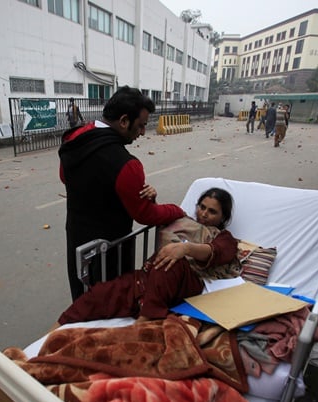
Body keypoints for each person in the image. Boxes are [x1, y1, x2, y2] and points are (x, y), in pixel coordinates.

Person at [58, 86, 186, 301]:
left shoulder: (76, 138)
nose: (143, 132)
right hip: (109, 251)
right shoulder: (126, 165)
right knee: (111, 303)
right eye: (141, 125)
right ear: (124, 121)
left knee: (82, 298)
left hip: (77, 239)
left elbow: (65, 177)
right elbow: (145, 214)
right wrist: (176, 210)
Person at [51, 188, 239, 328]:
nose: (204, 214)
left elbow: (219, 252)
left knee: (170, 260)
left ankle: (146, 319)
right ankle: (51, 334)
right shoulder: (182, 220)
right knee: (99, 294)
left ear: (223, 217)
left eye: (212, 211)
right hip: (149, 279)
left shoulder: (224, 238)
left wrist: (185, 248)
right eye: (202, 207)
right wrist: (152, 200)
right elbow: (157, 218)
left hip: (181, 281)